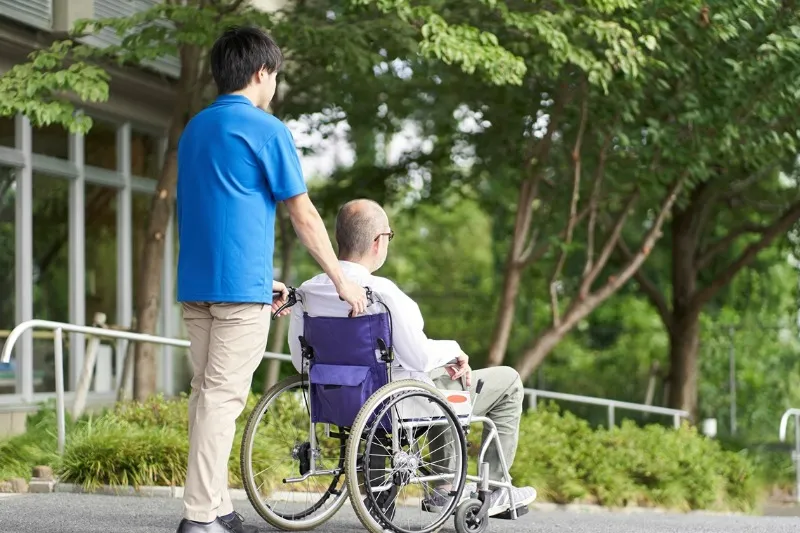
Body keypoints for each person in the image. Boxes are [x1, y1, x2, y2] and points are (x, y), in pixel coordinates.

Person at [174, 27, 367, 533]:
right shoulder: (265, 129)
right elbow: (302, 215)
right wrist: (343, 283)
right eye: (275, 75)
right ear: (262, 73)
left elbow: (217, 209)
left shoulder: (194, 128)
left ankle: (215, 507)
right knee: (221, 398)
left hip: (197, 285)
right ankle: (198, 518)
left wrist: (266, 283)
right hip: (237, 290)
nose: (274, 84)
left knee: (206, 394)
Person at [286, 199, 537, 517]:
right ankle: (493, 487)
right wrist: (454, 350)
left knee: (427, 377)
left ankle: (424, 489)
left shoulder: (309, 291)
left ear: (339, 238)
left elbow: (301, 361)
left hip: (340, 400)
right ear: (379, 241)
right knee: (507, 380)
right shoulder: (383, 293)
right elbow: (418, 357)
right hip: (397, 404)